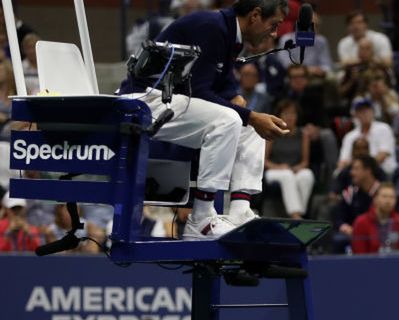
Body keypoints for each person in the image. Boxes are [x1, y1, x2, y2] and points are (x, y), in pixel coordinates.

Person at [117, 0, 291, 240]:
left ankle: (240, 210)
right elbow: (199, 90)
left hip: (171, 100)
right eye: (274, 25)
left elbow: (220, 77)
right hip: (144, 99)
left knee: (250, 127)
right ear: (255, 15)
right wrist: (248, 115)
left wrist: (236, 97)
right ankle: (201, 219)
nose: (274, 33)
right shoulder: (212, 27)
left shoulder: (229, 31)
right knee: (231, 120)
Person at [263, 99, 315, 219]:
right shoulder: (272, 132)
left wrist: (298, 168)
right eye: (286, 113)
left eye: (293, 113)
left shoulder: (303, 134)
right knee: (287, 175)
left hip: (294, 169)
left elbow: (305, 162)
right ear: (279, 116)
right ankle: (296, 216)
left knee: (307, 175)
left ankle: (299, 213)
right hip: (274, 170)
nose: (290, 117)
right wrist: (278, 167)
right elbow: (264, 160)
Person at [350, 183, 399, 254]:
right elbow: (359, 253)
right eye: (384, 196)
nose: (388, 201)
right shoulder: (361, 222)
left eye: (392, 197)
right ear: (375, 199)